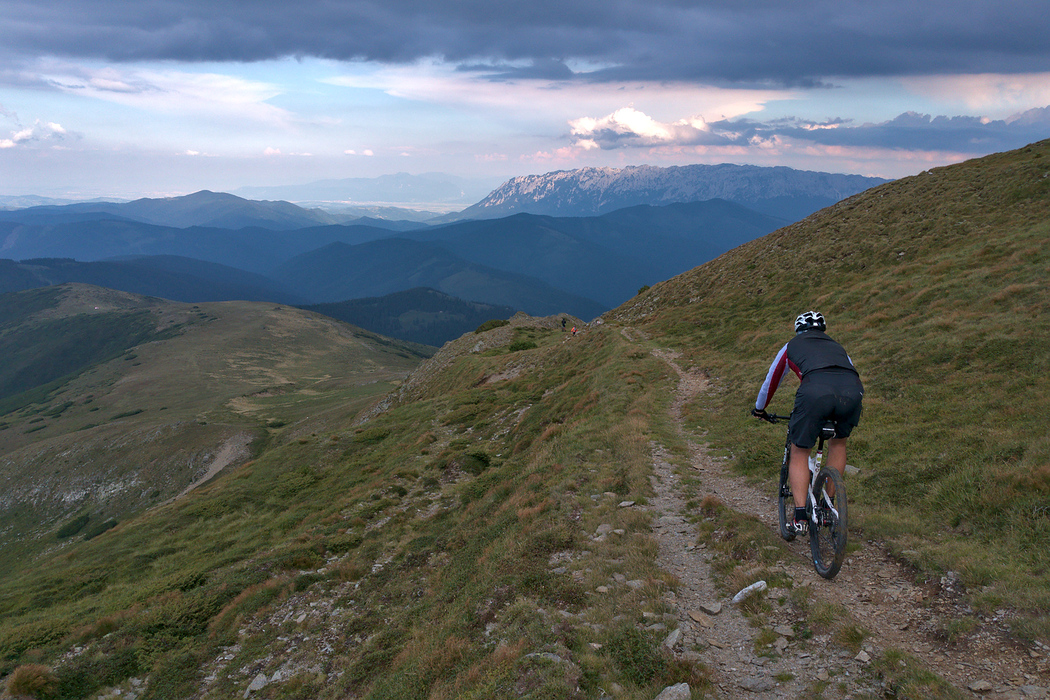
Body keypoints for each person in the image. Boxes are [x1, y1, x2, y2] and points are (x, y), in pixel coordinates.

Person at [751, 311, 863, 534]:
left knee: (800, 450)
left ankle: (800, 517)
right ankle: (828, 505)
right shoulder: (837, 346)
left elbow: (772, 380)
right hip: (852, 392)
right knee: (838, 443)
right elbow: (851, 370)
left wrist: (760, 408)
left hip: (815, 393)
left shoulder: (792, 345)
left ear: (798, 329)